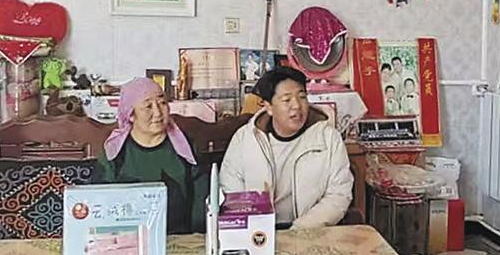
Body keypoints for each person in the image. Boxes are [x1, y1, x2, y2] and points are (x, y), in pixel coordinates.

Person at [221, 66, 355, 229]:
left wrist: (299, 229)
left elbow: (339, 194)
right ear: (268, 107)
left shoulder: (328, 138)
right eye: (287, 100)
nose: (297, 106)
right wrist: (257, 231)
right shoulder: (245, 139)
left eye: (302, 97)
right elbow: (232, 190)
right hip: (259, 232)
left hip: (311, 230)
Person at [96, 77, 204, 234]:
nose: (158, 113)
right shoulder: (114, 153)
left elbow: (201, 201)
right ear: (131, 115)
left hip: (179, 238)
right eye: (148, 106)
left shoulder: (185, 148)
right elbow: (99, 205)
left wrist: (196, 239)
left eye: (162, 103)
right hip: (128, 238)